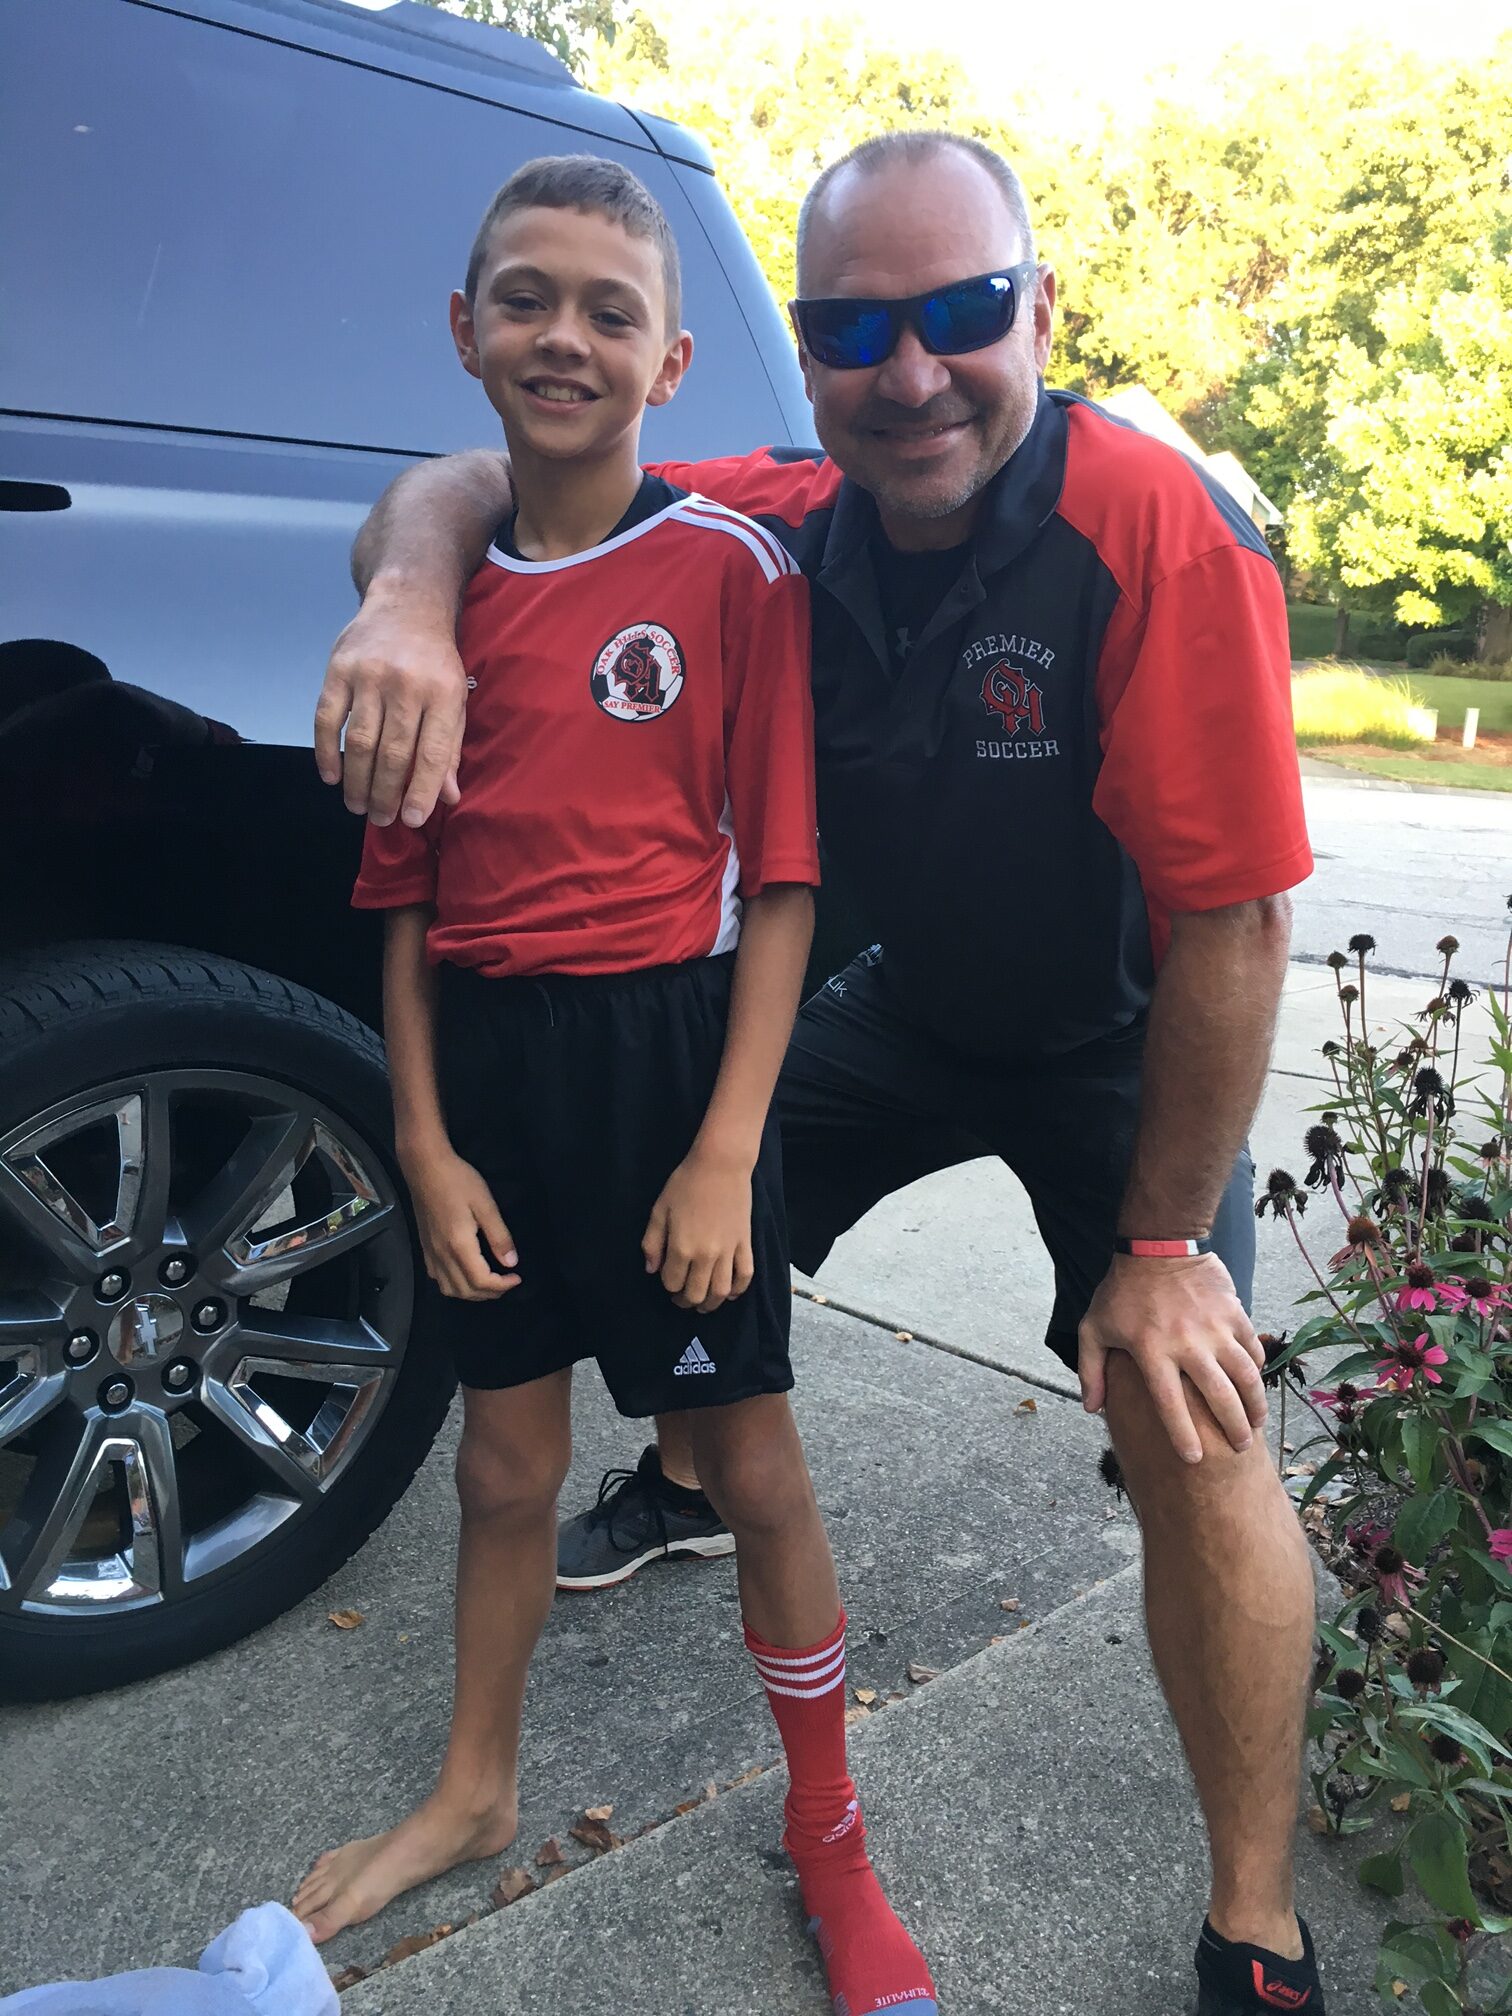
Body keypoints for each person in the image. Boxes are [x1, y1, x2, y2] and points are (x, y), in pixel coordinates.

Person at [314, 131, 1323, 2016]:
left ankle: (1256, 1922)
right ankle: (694, 1468)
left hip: (1120, 1041)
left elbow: (1237, 926)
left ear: (1041, 313)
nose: (911, 373)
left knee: (1193, 1420)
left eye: (961, 314)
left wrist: (1162, 1250)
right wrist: (406, 601)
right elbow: (483, 479)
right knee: (684, 1183)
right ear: (801, 355)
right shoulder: (796, 515)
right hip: (906, 1006)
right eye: (857, 330)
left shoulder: (1153, 528)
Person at [292, 156, 936, 2016]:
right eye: (527, 298)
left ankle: (832, 1833)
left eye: (609, 311)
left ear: (670, 365)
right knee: (505, 1465)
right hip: (491, 1079)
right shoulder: (430, 619)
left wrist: (729, 1150)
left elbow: (786, 880)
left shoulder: (731, 574)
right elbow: (406, 903)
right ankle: (475, 1789)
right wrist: (423, 1143)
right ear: (465, 329)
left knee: (756, 1468)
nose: (563, 337)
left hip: (673, 1068)